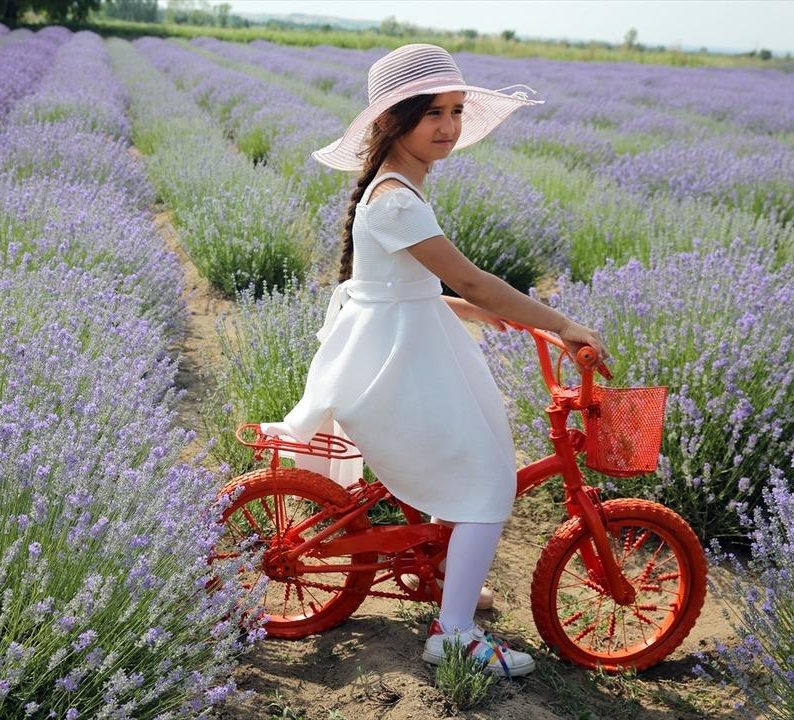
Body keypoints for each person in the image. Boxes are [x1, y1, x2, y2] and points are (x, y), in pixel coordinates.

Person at [260, 44, 607, 678]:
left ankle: (448, 577)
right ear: (394, 121)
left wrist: (469, 311)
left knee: (466, 464)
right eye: (433, 113)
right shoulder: (396, 199)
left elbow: (394, 285)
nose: (448, 126)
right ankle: (454, 635)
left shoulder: (398, 187)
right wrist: (559, 322)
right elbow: (470, 278)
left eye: (456, 111)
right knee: (486, 481)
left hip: (402, 345)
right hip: (398, 362)